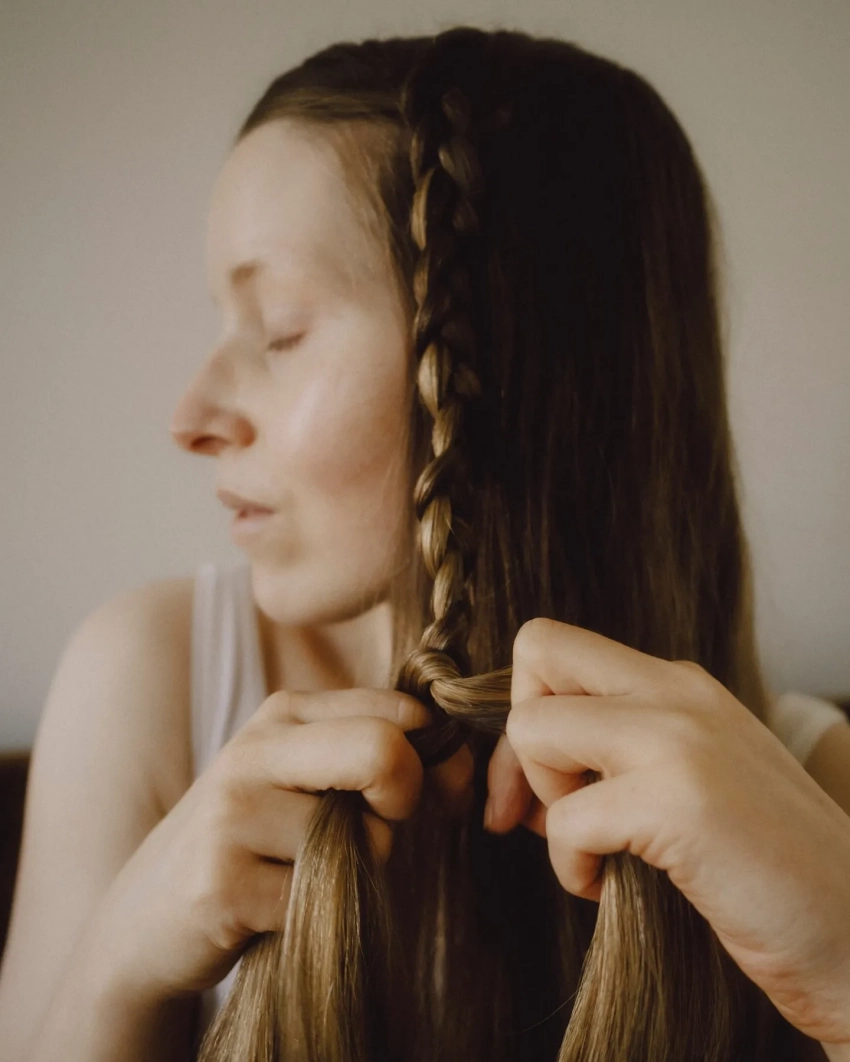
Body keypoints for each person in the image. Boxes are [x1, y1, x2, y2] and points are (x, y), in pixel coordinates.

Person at [1, 24, 849, 1062]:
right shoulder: (152, 681)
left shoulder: (807, 790)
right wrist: (119, 961)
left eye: (279, 329)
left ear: (506, 369)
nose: (190, 417)